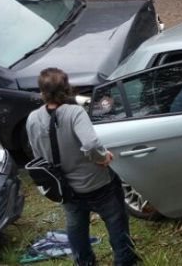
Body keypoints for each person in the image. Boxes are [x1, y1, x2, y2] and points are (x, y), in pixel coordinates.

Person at [27, 68, 141, 266]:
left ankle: (85, 262)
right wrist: (102, 157)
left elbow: (37, 154)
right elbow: (90, 144)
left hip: (65, 188)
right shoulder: (75, 112)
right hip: (97, 183)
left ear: (42, 92)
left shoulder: (33, 119)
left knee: (76, 227)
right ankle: (125, 259)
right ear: (67, 88)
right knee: (116, 221)